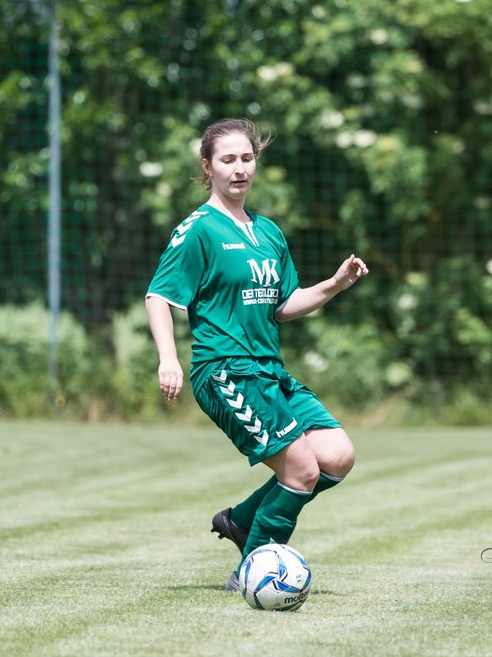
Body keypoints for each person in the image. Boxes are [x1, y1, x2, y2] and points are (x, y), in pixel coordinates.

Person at [144, 118, 370, 591]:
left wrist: (333, 285)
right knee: (303, 468)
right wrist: (168, 358)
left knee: (337, 455)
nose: (239, 168)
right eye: (228, 160)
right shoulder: (198, 231)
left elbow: (283, 306)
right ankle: (254, 569)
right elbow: (159, 296)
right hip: (225, 371)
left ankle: (244, 520)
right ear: (208, 167)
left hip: (269, 370)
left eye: (247, 158)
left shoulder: (267, 231)